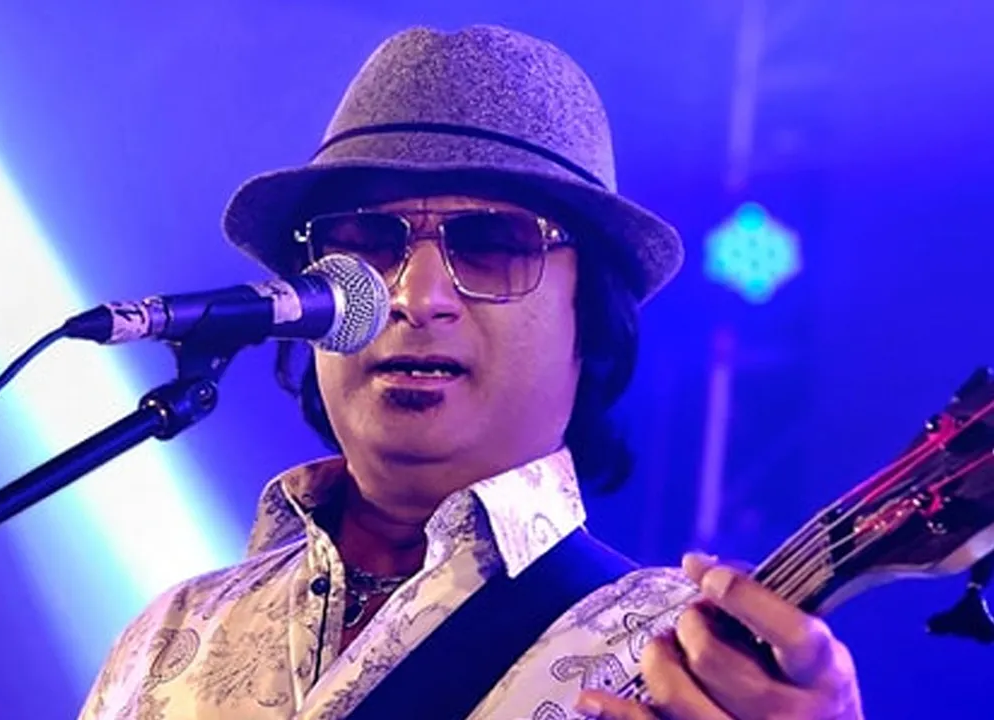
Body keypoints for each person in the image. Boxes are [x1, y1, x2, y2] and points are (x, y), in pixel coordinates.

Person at [78, 24, 863, 720]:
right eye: (368, 242)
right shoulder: (172, 632)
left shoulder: (686, 659)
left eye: (491, 244)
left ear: (590, 317)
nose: (414, 296)